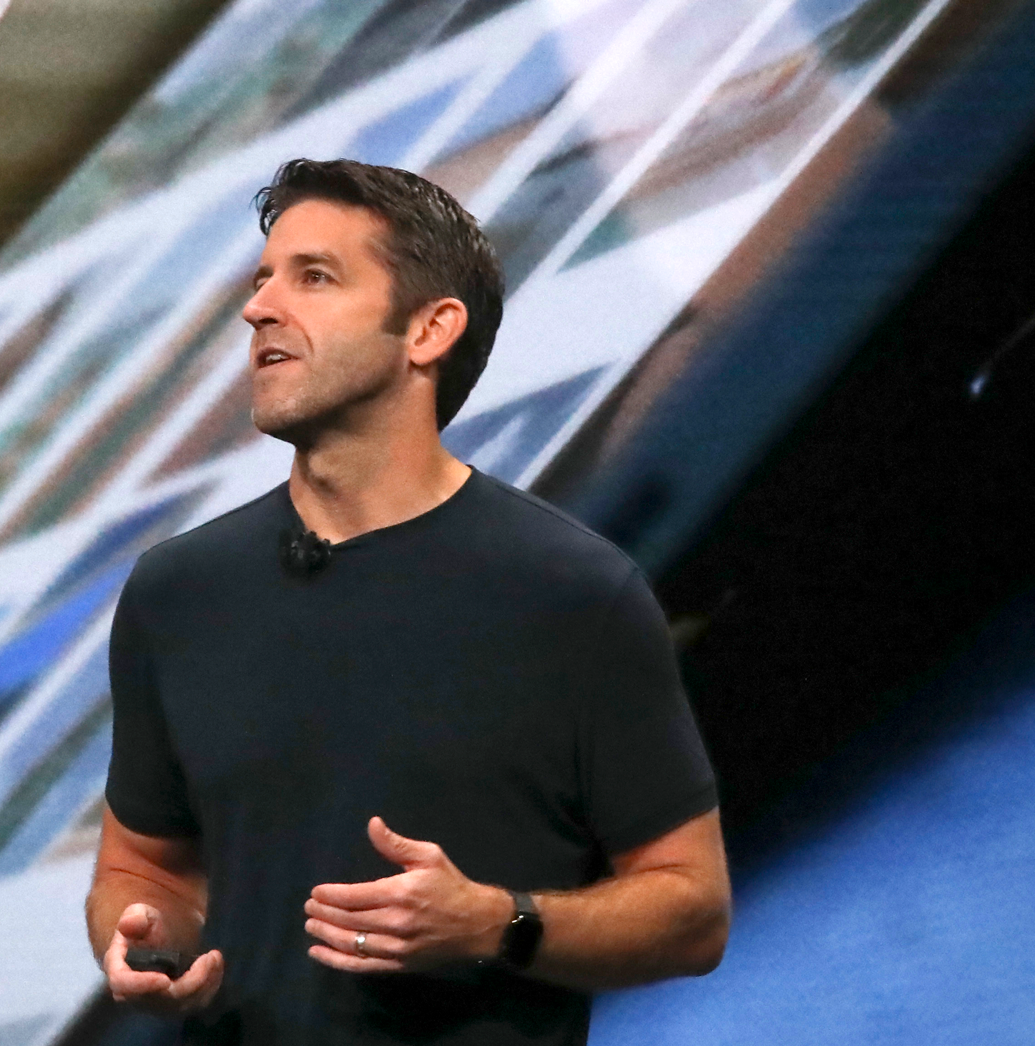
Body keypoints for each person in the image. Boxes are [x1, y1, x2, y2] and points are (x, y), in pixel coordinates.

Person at [85, 158, 730, 1046]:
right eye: (263, 279)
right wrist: (143, 938)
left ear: (428, 330)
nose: (259, 307)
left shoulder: (574, 592)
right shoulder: (177, 593)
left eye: (314, 277)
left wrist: (496, 923)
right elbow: (142, 867)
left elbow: (693, 912)